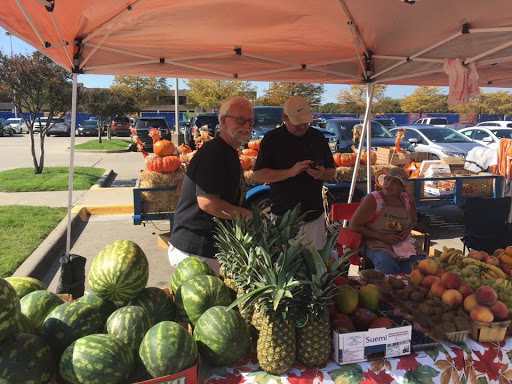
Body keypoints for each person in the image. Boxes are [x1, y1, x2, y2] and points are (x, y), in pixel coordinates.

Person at [168, 96, 254, 273]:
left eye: (250, 121)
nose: (246, 125)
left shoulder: (227, 151)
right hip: (196, 250)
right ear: (223, 121)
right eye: (240, 119)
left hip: (205, 248)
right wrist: (244, 215)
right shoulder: (215, 153)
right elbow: (207, 202)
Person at [252, 95, 336, 249]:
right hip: (283, 218)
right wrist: (290, 172)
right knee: (285, 266)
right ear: (285, 117)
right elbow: (258, 175)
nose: (303, 126)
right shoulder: (272, 139)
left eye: (305, 122)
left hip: (314, 217)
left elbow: (332, 171)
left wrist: (322, 174)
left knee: (315, 266)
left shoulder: (317, 137)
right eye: (298, 123)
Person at [348, 166, 426, 274]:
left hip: (400, 242)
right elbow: (353, 226)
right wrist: (383, 237)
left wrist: (407, 230)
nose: (389, 184)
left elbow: (413, 221)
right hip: (374, 242)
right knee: (386, 262)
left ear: (402, 187)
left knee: (419, 264)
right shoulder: (373, 199)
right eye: (388, 179)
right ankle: (385, 289)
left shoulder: (408, 200)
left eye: (395, 182)